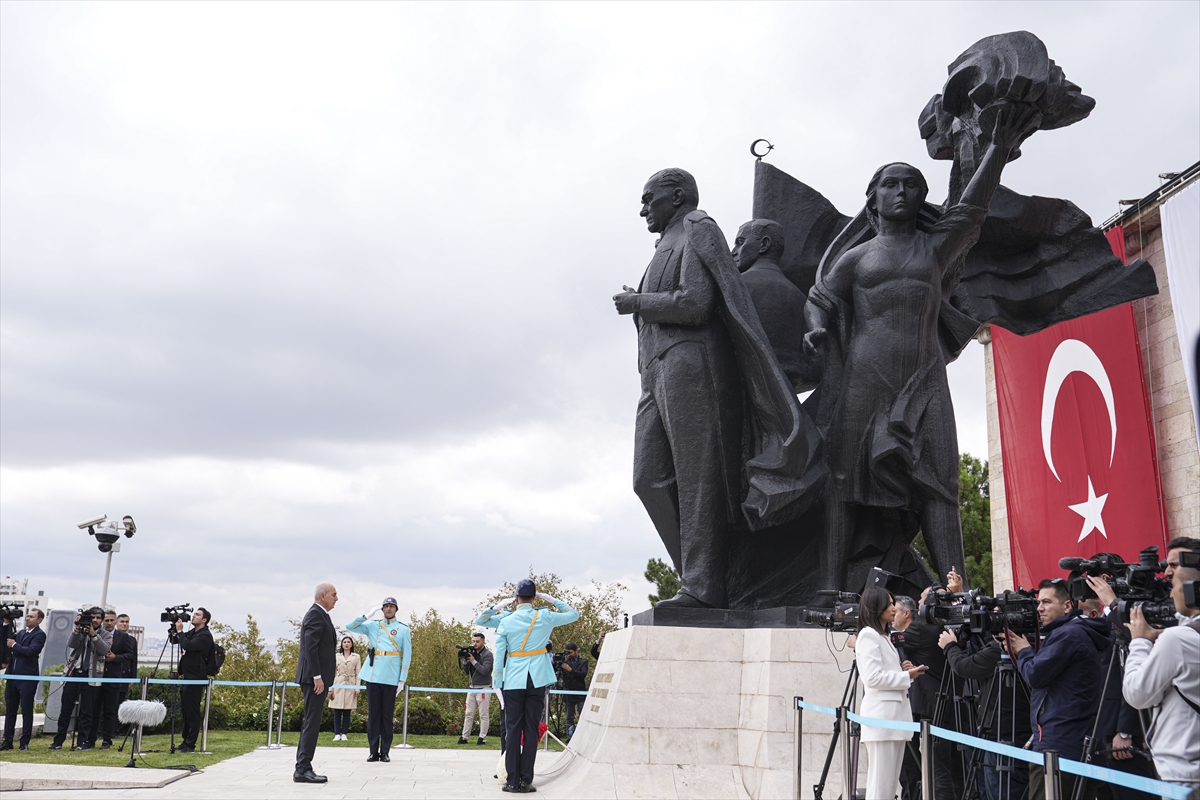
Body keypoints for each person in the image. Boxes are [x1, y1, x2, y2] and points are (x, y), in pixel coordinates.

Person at [803, 104, 1041, 591]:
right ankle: (829, 591)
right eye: (891, 184)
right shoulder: (856, 258)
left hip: (925, 378)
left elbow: (972, 212)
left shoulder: (933, 249)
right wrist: (815, 328)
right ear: (874, 198)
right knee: (843, 484)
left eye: (911, 184)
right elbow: (819, 298)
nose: (902, 191)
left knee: (939, 484)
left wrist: (996, 146)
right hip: (864, 379)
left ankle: (958, 591)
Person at [613, 168, 823, 609]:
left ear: (677, 195)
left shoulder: (698, 227)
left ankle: (704, 587)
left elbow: (696, 302)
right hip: (656, 373)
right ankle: (705, 576)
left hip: (693, 365)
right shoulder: (664, 243)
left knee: (698, 478)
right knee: (647, 479)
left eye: (649, 198)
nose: (643, 208)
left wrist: (639, 303)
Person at [1004, 578, 1109, 800]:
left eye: (1046, 602)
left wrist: (1023, 651)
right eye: (1038, 602)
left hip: (1059, 745)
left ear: (1067, 606)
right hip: (1074, 741)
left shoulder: (1068, 634)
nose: (1039, 608)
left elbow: (1034, 674)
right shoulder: (1072, 632)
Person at [1122, 542, 1200, 792]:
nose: (1167, 576)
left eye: (1175, 568)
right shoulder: (1184, 634)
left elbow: (1136, 694)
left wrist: (1140, 641)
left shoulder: (1178, 639)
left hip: (1185, 776)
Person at [493, 579, 579, 793]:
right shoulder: (544, 616)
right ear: (533, 598)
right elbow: (573, 614)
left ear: (515, 599)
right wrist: (550, 599)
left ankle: (512, 781)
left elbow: (498, 656)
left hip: (513, 679)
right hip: (537, 679)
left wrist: (497, 683)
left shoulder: (507, 621)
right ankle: (525, 780)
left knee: (512, 730)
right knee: (531, 729)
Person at [938, 625, 1032, 800]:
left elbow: (965, 667)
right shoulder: (1030, 644)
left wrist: (950, 646)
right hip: (1016, 732)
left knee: (999, 791)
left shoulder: (1003, 649)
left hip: (1001, 734)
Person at [855, 586, 926, 800]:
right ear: (877, 607)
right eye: (890, 603)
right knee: (880, 788)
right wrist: (907, 677)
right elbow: (872, 678)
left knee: (886, 786)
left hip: (892, 721)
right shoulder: (868, 635)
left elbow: (881, 673)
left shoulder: (882, 635)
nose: (894, 608)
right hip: (883, 721)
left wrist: (901, 669)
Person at [892, 592, 954, 800]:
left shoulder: (917, 629)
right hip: (932, 702)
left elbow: (889, 644)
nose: (891, 615)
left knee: (925, 762)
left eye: (894, 610)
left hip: (926, 703)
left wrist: (861, 640)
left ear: (907, 613)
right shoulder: (934, 629)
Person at [345, 596, 412, 762]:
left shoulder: (403, 629)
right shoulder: (374, 625)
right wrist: (367, 615)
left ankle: (385, 752)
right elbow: (349, 626)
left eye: (392, 606)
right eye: (386, 606)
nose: (388, 609)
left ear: (396, 609)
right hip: (373, 675)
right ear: (382, 609)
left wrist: (402, 679)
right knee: (373, 715)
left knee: (386, 716)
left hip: (391, 675)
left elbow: (407, 656)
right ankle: (373, 751)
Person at [295, 583, 337, 784]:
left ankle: (303, 767)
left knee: (312, 722)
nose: (336, 598)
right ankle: (303, 769)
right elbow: (310, 647)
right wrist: (317, 676)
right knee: (311, 722)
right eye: (334, 595)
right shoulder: (315, 614)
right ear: (323, 596)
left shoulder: (322, 615)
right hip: (314, 679)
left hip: (316, 678)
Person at [50, 607, 109, 751]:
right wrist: (77, 627)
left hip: (92, 675)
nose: (94, 620)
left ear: (101, 620)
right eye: (92, 617)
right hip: (74, 673)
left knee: (87, 711)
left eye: (97, 618)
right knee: (66, 709)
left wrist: (93, 635)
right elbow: (71, 644)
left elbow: (104, 650)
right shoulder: (80, 630)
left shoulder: (105, 634)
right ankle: (58, 741)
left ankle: (83, 741)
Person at [0, 608, 46, 751]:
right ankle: (7, 741)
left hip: (27, 677)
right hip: (13, 675)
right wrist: (6, 623)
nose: (28, 619)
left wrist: (14, 645)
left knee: (26, 711)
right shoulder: (20, 633)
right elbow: (4, 640)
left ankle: (24, 742)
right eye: (27, 616)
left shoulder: (40, 635)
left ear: (39, 620)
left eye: (31, 617)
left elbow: (31, 651)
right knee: (10, 710)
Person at [173, 607, 213, 754]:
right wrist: (175, 629)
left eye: (197, 615)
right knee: (186, 711)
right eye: (194, 614)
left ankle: (191, 744)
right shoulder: (192, 632)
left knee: (193, 712)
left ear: (204, 620)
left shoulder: (205, 635)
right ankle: (185, 741)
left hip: (196, 677)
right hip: (188, 676)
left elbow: (187, 645)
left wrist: (180, 631)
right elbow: (176, 640)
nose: (193, 616)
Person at [97, 611, 138, 749]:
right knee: (95, 708)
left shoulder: (126, 638)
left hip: (116, 676)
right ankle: (95, 734)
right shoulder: (97, 634)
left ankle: (108, 737)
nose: (109, 623)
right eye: (106, 620)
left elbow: (132, 657)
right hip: (97, 676)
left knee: (112, 708)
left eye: (111, 620)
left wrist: (116, 658)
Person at [458, 632, 494, 745]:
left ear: (483, 642)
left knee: (483, 714)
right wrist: (465, 662)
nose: (475, 643)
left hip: (484, 688)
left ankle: (482, 737)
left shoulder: (488, 655)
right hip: (472, 688)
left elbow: (484, 671)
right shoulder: (472, 653)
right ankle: (464, 737)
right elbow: (466, 672)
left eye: (477, 641)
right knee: (469, 713)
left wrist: (473, 661)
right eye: (474, 641)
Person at [330, 636, 361, 742]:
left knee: (347, 711)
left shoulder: (356, 657)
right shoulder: (336, 656)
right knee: (337, 711)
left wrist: (357, 688)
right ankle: (337, 733)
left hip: (350, 684)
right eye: (344, 642)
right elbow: (332, 673)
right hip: (338, 683)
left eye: (348, 642)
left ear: (351, 644)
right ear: (342, 644)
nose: (346, 644)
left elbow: (358, 673)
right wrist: (331, 688)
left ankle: (344, 733)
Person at [559, 642, 588, 737]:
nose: (570, 655)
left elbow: (583, 674)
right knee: (569, 716)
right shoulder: (565, 663)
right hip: (568, 693)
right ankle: (569, 735)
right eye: (568, 653)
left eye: (571, 652)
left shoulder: (583, 662)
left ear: (576, 651)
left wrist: (571, 670)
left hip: (580, 692)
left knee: (583, 715)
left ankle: (583, 735)